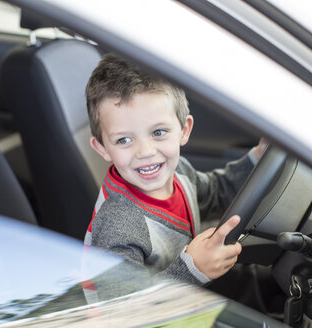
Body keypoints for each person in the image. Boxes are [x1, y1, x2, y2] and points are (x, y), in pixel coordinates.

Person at [84, 53, 267, 287]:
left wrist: (258, 156)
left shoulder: (179, 171)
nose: (145, 151)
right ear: (102, 148)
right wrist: (192, 270)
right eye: (123, 140)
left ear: (184, 130)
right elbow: (126, 310)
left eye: (158, 132)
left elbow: (214, 192)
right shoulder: (118, 225)